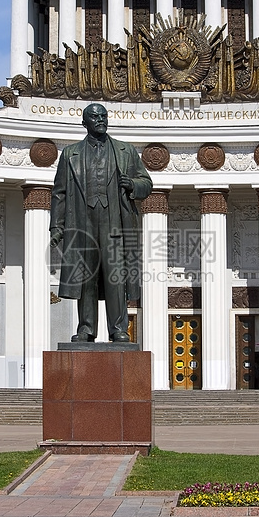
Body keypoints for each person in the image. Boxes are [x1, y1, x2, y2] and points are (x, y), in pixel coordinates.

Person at [50, 103, 153, 342]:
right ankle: (86, 328)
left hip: (115, 224)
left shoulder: (125, 151)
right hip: (82, 223)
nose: (101, 120)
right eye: (95, 117)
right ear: (84, 123)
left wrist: (133, 185)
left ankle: (118, 329)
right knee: (87, 279)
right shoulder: (70, 154)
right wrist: (57, 226)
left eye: (104, 116)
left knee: (115, 278)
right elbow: (60, 192)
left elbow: (146, 182)